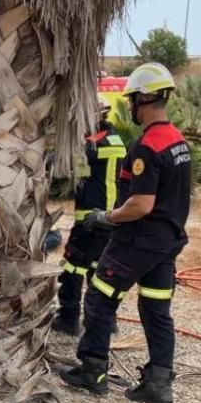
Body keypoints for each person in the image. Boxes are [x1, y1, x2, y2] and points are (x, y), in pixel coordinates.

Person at [60, 62, 191, 403]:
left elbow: (141, 204)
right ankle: (158, 384)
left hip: (137, 240)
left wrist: (107, 216)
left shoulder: (146, 148)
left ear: (144, 99)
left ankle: (93, 371)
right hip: (167, 243)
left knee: (101, 298)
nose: (130, 106)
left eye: (133, 99)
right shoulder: (178, 142)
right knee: (156, 310)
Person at [52, 94, 126, 335]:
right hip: (100, 217)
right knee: (99, 268)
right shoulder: (99, 140)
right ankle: (104, 319)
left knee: (75, 267)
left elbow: (78, 156)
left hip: (96, 218)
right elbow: (81, 171)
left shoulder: (105, 144)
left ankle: (69, 318)